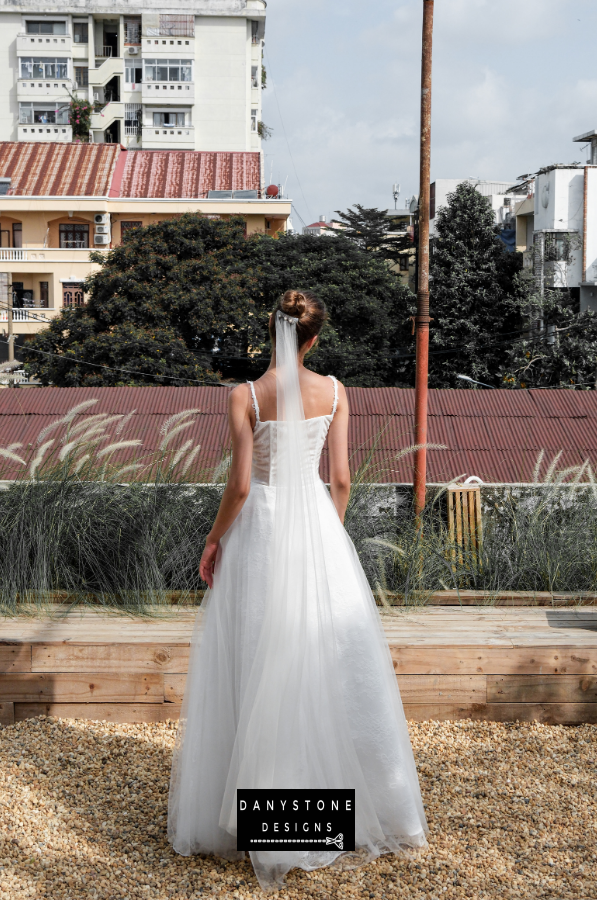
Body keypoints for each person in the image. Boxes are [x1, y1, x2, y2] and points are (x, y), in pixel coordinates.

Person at [168, 290, 428, 892]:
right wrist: (324, 538)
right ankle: (339, 816)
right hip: (315, 524)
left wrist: (212, 542)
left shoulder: (244, 396)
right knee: (328, 664)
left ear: (273, 331)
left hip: (259, 527)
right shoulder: (336, 392)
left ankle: (260, 821)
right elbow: (339, 478)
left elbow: (237, 486)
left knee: (257, 658)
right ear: (314, 338)